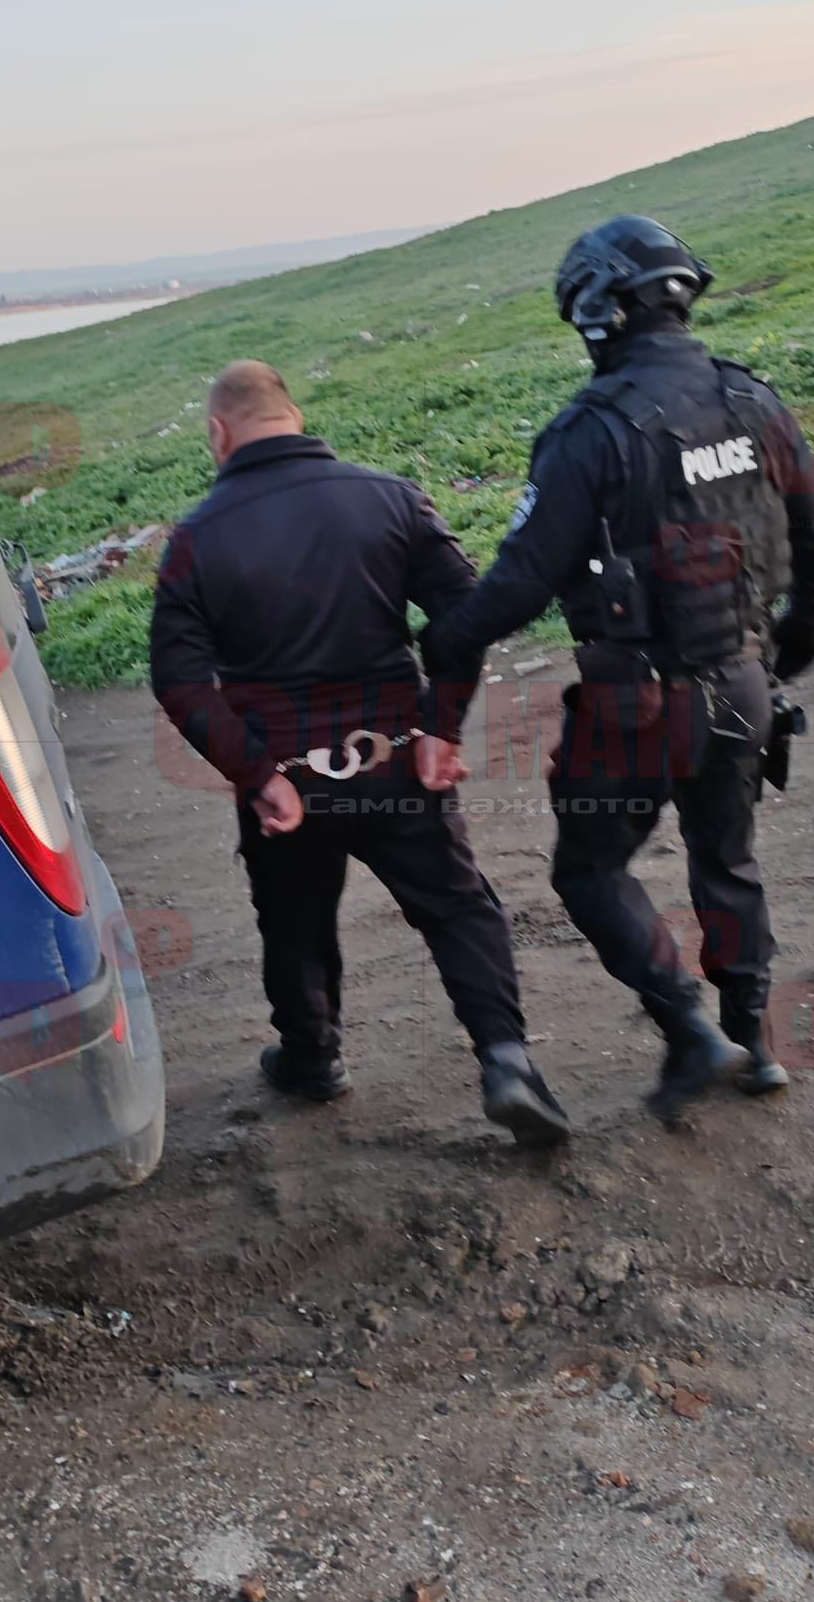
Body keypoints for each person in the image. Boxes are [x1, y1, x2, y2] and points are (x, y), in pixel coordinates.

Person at [422, 217, 814, 1119]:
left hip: (639, 705)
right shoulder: (754, 402)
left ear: (598, 312)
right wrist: (802, 626)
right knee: (727, 859)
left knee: (589, 870)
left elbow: (522, 582)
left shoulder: (589, 432)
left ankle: (690, 1029)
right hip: (745, 682)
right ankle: (754, 1040)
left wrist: (447, 640)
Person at [150, 360, 568, 1145]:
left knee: (294, 921)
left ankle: (313, 1059)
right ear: (295, 417)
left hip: (291, 784)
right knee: (456, 907)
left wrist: (257, 774)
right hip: (398, 759)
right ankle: (507, 1061)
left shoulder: (196, 539)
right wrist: (441, 726)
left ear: (218, 433)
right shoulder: (390, 498)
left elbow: (179, 679)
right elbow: (465, 613)